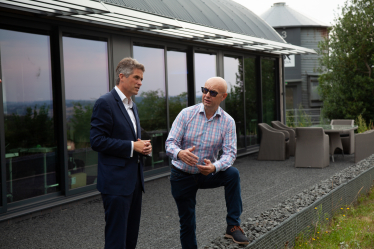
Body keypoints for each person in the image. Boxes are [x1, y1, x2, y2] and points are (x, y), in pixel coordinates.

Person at [165, 77, 249, 248]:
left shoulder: (228, 122)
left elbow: (230, 154)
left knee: (232, 174)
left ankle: (232, 226)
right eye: (205, 90)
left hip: (207, 173)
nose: (207, 95)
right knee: (187, 222)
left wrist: (214, 167)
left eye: (213, 92)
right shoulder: (186, 114)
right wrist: (180, 153)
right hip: (182, 174)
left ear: (223, 97)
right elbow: (170, 143)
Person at [90, 57, 152, 249]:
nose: (140, 83)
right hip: (115, 184)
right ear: (122, 76)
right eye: (136, 78)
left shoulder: (132, 105)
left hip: (134, 182)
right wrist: (132, 146)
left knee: (130, 238)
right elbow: (97, 141)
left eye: (141, 79)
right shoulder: (105, 103)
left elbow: (129, 138)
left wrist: (141, 146)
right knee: (116, 240)